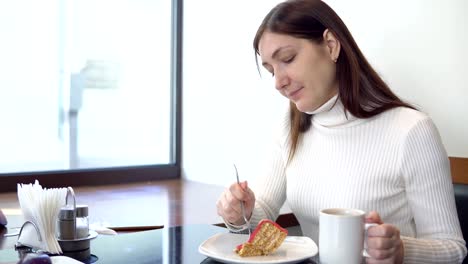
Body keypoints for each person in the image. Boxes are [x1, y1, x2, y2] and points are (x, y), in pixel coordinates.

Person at [216, 0, 467, 263]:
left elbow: (452, 248)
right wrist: (239, 213)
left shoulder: (412, 131)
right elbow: (263, 210)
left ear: (331, 45)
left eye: (288, 59)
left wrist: (402, 250)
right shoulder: (290, 126)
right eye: (270, 71)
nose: (279, 82)